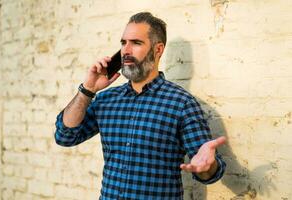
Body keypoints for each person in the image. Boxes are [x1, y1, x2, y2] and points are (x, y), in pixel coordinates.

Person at [55, 12, 226, 200]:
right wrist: (88, 89)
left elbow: (209, 171)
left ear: (158, 49)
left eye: (136, 43)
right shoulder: (107, 100)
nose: (126, 50)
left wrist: (207, 167)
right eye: (123, 43)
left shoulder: (182, 104)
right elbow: (65, 136)